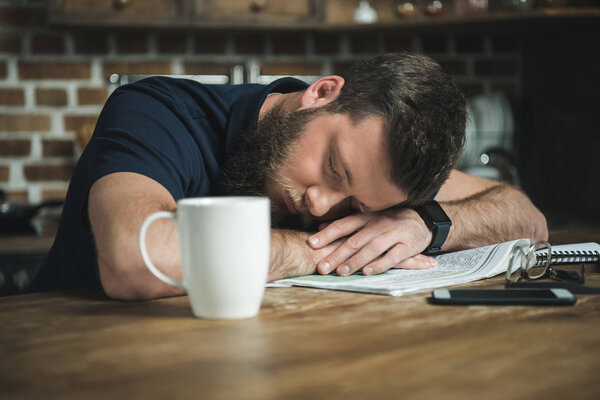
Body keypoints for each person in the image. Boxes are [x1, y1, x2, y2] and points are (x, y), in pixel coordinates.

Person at [34, 53, 547, 300]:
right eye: (333, 170)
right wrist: (319, 253)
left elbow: (525, 218)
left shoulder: (376, 173)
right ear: (322, 93)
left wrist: (423, 223)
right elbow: (138, 261)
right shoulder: (155, 111)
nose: (324, 206)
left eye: (359, 207)